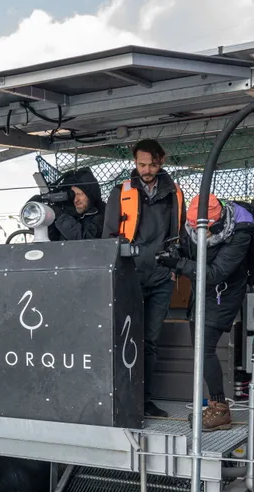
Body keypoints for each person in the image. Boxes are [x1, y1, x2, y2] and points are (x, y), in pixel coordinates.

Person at [158, 194, 254, 431]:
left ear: (218, 220)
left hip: (224, 292)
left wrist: (179, 265)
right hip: (201, 289)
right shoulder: (191, 226)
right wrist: (174, 253)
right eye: (192, 226)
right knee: (199, 348)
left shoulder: (239, 233)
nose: (197, 231)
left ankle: (220, 409)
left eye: (203, 228)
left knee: (205, 349)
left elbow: (216, 273)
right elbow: (190, 252)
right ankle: (216, 406)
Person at [104, 139, 185, 417]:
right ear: (135, 163)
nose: (147, 169)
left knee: (149, 341)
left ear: (161, 161)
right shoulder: (120, 191)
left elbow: (179, 235)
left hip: (161, 278)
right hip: (130, 277)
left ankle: (144, 401)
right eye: (141, 164)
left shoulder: (174, 192)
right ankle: (119, 399)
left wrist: (173, 268)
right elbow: (109, 236)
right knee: (123, 338)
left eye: (151, 164)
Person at [44, 167, 105, 241]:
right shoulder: (70, 213)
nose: (76, 200)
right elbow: (52, 240)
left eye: (79, 194)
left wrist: (61, 217)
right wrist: (48, 218)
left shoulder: (102, 212)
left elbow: (86, 240)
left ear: (90, 195)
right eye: (73, 195)